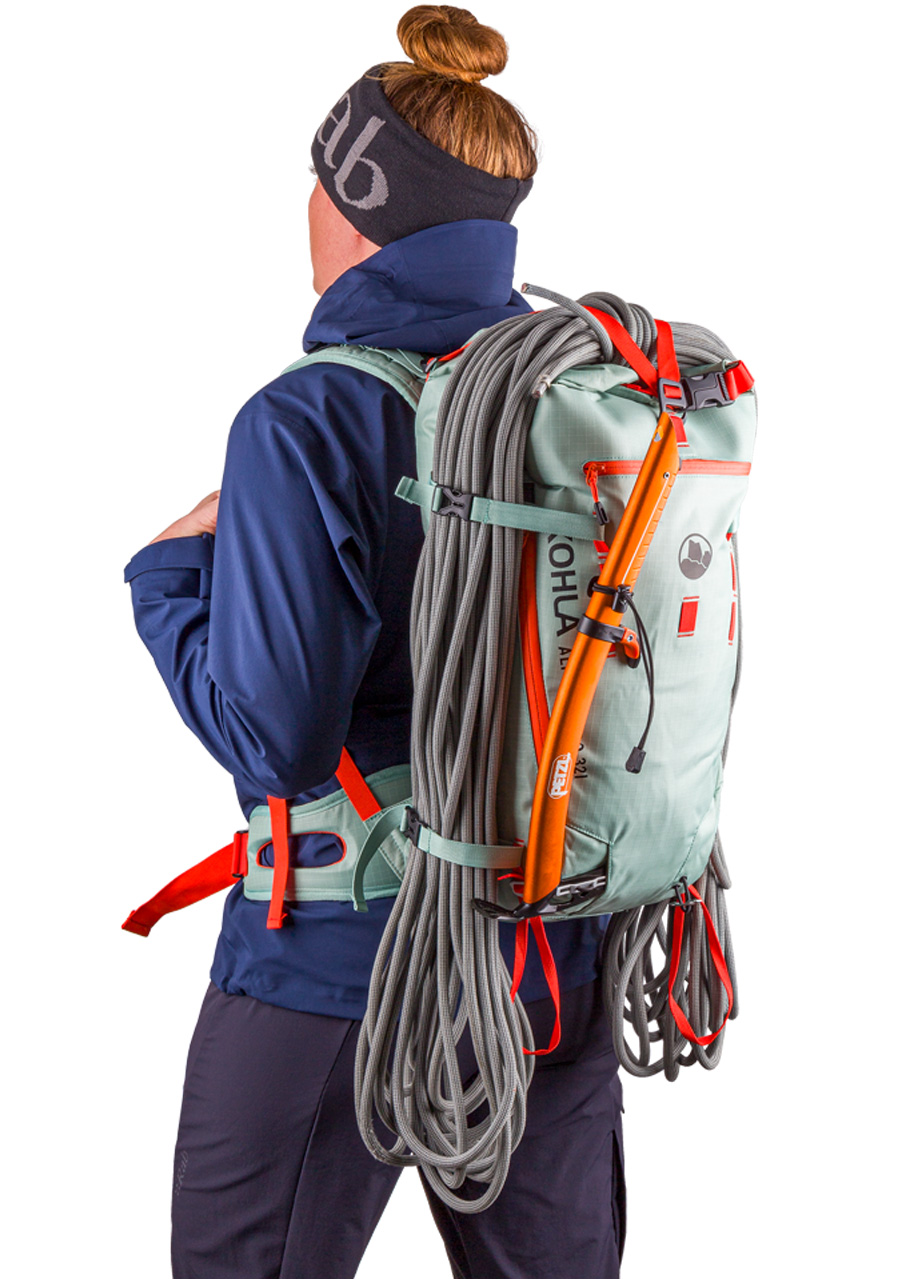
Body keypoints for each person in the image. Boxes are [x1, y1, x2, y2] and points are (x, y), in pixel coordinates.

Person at [124, 7, 624, 1277]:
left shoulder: (309, 421)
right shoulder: (575, 395)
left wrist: (169, 578)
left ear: (356, 207)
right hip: (552, 952)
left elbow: (276, 742)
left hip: (340, 964)